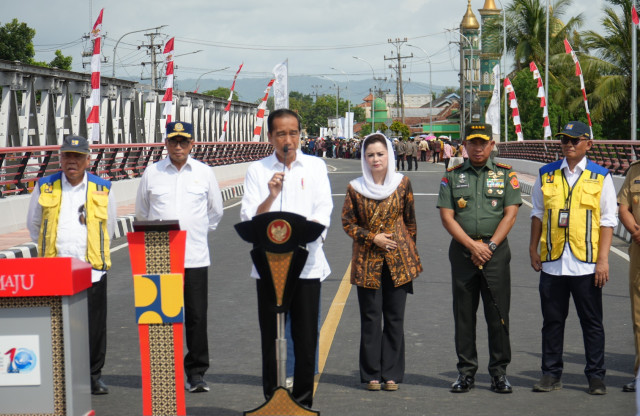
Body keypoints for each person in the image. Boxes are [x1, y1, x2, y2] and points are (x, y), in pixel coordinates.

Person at [240, 108, 333, 409]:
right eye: (281, 133)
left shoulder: (316, 167)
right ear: (270, 137)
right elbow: (249, 218)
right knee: (271, 339)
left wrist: (303, 243)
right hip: (269, 270)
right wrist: (270, 195)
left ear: (300, 135)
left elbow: (323, 212)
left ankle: (303, 403)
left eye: (293, 132)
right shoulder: (258, 171)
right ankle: (272, 402)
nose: (288, 139)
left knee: (306, 341)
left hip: (306, 267)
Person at [529, 121, 617, 395]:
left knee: (591, 323)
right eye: (564, 140)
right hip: (553, 262)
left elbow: (607, 220)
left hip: (587, 263)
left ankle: (596, 376)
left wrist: (603, 260)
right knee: (552, 322)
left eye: (574, 140)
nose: (568, 145)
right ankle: (551, 374)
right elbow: (538, 213)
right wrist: (533, 248)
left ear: (588, 144)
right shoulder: (546, 174)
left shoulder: (601, 176)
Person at [135, 121, 224, 393]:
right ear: (165, 144)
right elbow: (142, 212)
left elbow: (215, 212)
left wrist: (193, 231)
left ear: (192, 144)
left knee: (197, 317)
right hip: (160, 257)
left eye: (183, 141)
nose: (178, 146)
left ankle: (196, 373)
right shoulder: (152, 173)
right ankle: (163, 372)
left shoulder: (204, 173)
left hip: (195, 257)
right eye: (173, 141)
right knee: (161, 316)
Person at [27, 135, 117, 395]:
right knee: (57, 325)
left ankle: (92, 376)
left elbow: (109, 226)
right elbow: (34, 225)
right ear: (60, 158)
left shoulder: (102, 187)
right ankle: (60, 376)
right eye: (67, 156)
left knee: (94, 327)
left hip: (92, 269)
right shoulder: (44, 186)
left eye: (78, 156)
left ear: (88, 159)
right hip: (55, 269)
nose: (72, 161)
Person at [437, 123, 521, 394]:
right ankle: (466, 373)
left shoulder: (506, 175)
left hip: (495, 254)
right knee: (464, 315)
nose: (478, 147)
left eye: (483, 142)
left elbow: (510, 214)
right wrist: (473, 246)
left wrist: (490, 245)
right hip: (463, 252)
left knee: (498, 314)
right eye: (472, 142)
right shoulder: (451, 176)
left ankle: (499, 372)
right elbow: (447, 216)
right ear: (465, 145)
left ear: (492, 144)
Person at [342, 133, 422, 392]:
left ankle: (392, 374)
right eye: (370, 155)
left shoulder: (402, 183)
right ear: (364, 158)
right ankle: (371, 374)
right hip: (367, 260)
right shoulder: (355, 187)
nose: (375, 159)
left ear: (390, 155)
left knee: (395, 318)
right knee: (370, 318)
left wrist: (408, 253)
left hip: (399, 261)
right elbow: (348, 223)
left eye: (380, 154)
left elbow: (410, 222)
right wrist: (372, 237)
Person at [618, 159, 640, 393]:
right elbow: (623, 207)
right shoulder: (635, 170)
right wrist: (635, 231)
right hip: (639, 250)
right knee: (639, 315)